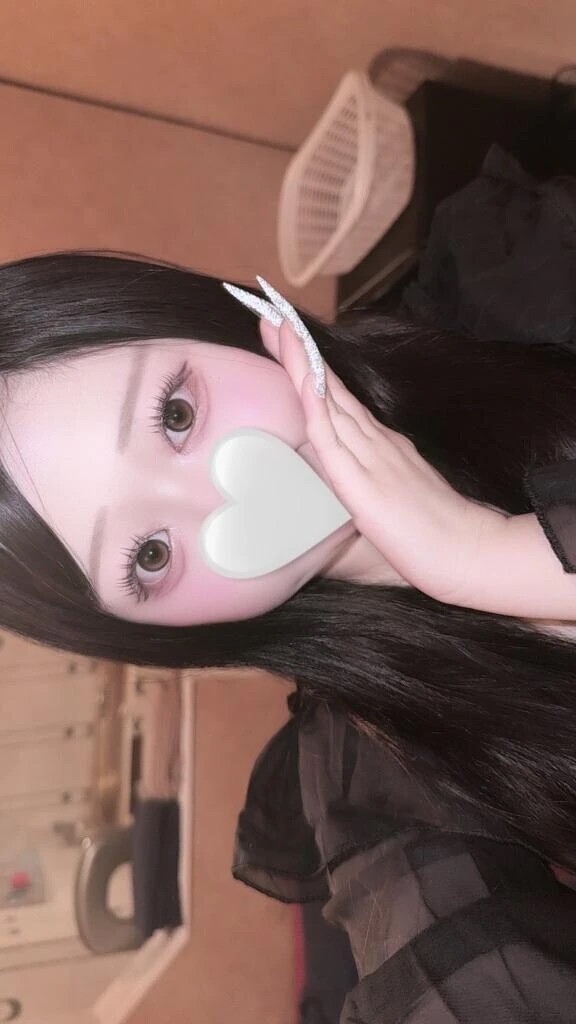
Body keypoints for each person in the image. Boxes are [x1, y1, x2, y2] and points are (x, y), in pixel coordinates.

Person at [3, 249, 576, 1020]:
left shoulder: (499, 282)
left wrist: (498, 557)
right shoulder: (384, 784)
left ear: (220, 320)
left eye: (177, 415)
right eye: (150, 555)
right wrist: (483, 559)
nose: (228, 496)